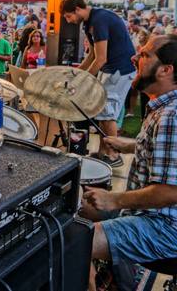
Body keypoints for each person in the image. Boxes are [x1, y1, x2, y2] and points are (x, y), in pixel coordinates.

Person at [84, 35, 177, 291]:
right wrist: (132, 145)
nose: (135, 58)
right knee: (79, 210)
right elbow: (170, 153)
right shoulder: (165, 107)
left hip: (165, 226)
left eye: (145, 55)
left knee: (74, 242)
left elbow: (170, 191)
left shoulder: (171, 115)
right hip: (153, 214)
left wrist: (113, 200)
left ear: (166, 70)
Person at [62, 0, 136, 167]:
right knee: (101, 110)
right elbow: (93, 55)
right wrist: (77, 73)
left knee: (107, 113)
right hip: (109, 69)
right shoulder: (89, 23)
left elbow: (100, 58)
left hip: (120, 70)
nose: (68, 20)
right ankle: (103, 152)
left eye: (68, 16)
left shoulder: (99, 20)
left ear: (77, 9)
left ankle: (113, 155)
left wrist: (83, 80)